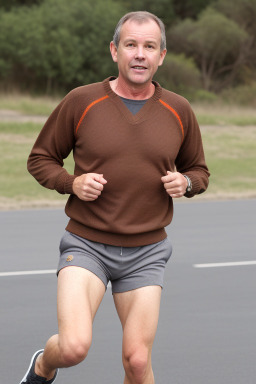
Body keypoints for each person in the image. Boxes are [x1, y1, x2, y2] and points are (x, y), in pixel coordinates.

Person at [19, 11, 210, 384]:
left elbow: (200, 171)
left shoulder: (179, 109)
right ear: (114, 51)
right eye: (131, 45)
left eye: (149, 47)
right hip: (87, 244)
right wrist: (72, 183)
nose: (140, 54)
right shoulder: (81, 101)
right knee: (73, 347)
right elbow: (40, 159)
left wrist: (185, 183)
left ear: (161, 56)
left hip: (147, 251)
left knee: (137, 362)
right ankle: (44, 364)